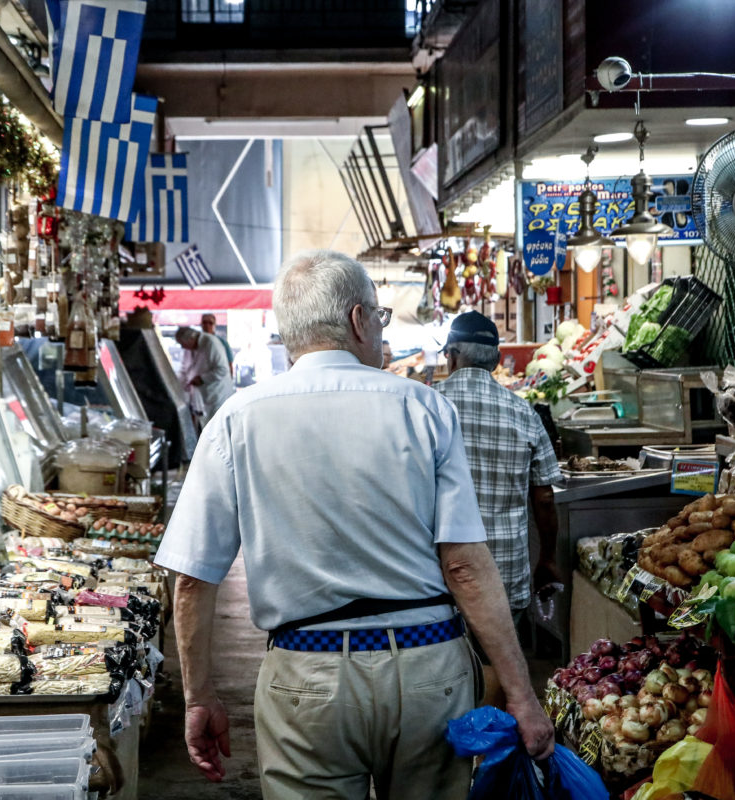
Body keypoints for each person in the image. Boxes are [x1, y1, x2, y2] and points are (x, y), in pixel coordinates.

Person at [155, 250, 553, 800]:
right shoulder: (424, 408)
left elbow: (194, 579)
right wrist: (521, 694)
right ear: (358, 320)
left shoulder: (237, 419)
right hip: (427, 669)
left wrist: (200, 696)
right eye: (381, 318)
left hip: (306, 676)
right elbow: (462, 564)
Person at [434, 311, 562, 708]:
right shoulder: (523, 412)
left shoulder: (427, 407)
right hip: (504, 573)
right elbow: (544, 496)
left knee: (442, 674)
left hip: (436, 574)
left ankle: (452, 757)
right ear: (494, 359)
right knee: (499, 667)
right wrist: (548, 559)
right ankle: (490, 761)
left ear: (452, 356)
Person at [175, 326, 235, 426]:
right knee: (205, 427)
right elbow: (184, 369)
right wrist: (178, 387)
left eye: (183, 344)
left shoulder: (211, 343)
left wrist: (202, 378)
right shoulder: (189, 348)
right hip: (200, 397)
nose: (182, 347)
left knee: (217, 428)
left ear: (191, 339)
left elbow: (223, 370)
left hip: (216, 395)